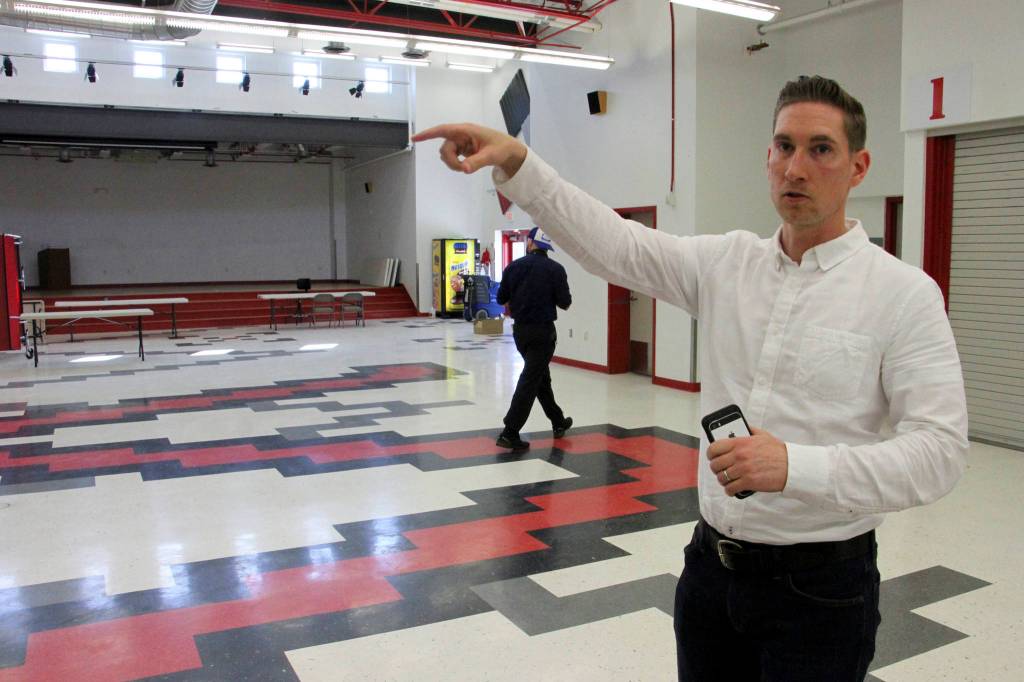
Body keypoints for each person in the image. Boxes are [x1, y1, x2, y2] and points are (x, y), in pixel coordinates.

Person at [412, 75, 969, 681]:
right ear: (767, 158)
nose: (796, 168)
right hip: (711, 574)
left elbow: (939, 453)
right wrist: (521, 162)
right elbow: (616, 246)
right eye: (784, 147)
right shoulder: (729, 264)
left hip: (822, 592)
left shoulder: (903, 295)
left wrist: (796, 466)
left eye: (821, 149)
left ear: (858, 167)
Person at [493, 226, 574, 452]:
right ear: (547, 247)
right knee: (530, 379)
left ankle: (558, 421)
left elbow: (501, 298)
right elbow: (565, 303)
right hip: (543, 333)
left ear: (530, 243)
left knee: (539, 377)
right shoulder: (556, 269)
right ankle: (510, 432)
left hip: (520, 333)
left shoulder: (513, 267)